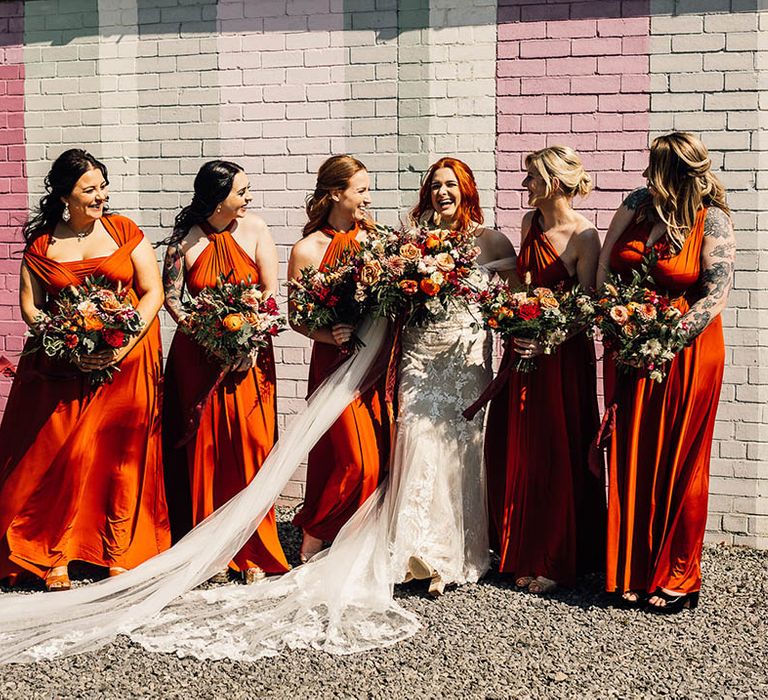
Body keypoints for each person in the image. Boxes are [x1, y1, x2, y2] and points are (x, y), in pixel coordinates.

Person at [0, 148, 169, 591]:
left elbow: (152, 293)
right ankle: (52, 550)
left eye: (102, 186)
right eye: (89, 190)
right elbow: (31, 307)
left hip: (127, 363)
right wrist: (68, 342)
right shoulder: (42, 245)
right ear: (63, 197)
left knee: (118, 460)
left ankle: (116, 551)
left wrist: (122, 346)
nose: (101, 196)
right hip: (63, 365)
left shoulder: (124, 230)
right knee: (65, 458)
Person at [596, 132, 735, 613]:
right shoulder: (637, 204)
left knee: (679, 460)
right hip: (631, 347)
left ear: (676, 172)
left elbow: (715, 295)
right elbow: (606, 265)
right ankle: (632, 570)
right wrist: (615, 320)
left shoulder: (711, 218)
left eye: (655, 168)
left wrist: (664, 342)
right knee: (635, 454)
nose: (645, 177)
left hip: (688, 352)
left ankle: (677, 575)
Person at [481, 146, 605, 594]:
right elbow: (524, 285)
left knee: (556, 450)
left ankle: (556, 556)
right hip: (522, 350)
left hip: (562, 359)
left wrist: (546, 338)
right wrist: (508, 311)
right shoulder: (529, 223)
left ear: (553, 181)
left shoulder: (584, 237)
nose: (525, 184)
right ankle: (517, 548)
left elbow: (588, 306)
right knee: (519, 447)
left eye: (531, 176)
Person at [161, 160, 290, 582]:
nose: (248, 198)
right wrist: (209, 337)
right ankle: (209, 551)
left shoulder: (256, 230)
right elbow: (172, 299)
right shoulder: (183, 242)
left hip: (250, 355)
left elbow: (270, 291)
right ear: (218, 198)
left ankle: (251, 547)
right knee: (206, 450)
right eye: (241, 191)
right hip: (199, 357)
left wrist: (249, 338)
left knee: (250, 446)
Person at [287, 155, 389, 562]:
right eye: (361, 190)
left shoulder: (378, 241)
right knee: (353, 459)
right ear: (335, 194)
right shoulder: (307, 249)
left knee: (378, 458)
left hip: (378, 364)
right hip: (335, 363)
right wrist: (329, 332)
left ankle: (352, 540)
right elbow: (297, 317)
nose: (368, 197)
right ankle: (315, 530)